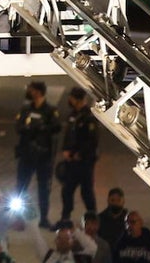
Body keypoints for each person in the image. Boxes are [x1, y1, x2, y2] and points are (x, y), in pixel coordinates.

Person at [15, 80, 61, 229]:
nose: (29, 92)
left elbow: (56, 127)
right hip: (27, 155)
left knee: (43, 189)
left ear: (39, 92)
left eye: (32, 90)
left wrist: (42, 128)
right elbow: (19, 126)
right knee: (21, 188)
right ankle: (17, 218)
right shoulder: (26, 109)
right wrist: (29, 128)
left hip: (43, 156)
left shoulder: (50, 110)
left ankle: (44, 218)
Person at [59, 87, 99, 225]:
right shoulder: (73, 115)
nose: (70, 100)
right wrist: (65, 150)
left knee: (86, 192)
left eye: (72, 98)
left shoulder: (88, 117)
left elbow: (92, 140)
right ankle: (65, 218)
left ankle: (93, 219)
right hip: (71, 161)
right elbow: (68, 136)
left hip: (84, 162)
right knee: (67, 191)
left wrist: (79, 154)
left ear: (78, 99)